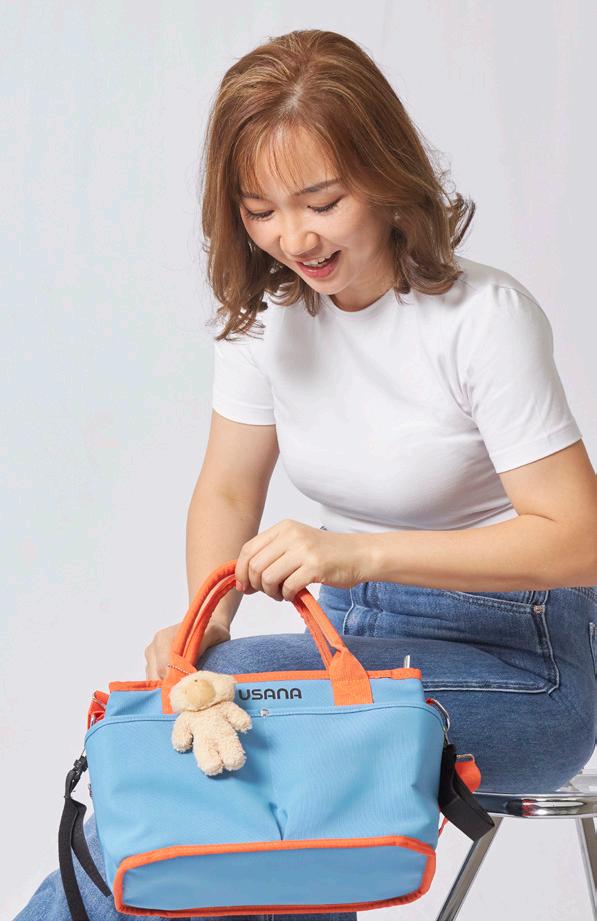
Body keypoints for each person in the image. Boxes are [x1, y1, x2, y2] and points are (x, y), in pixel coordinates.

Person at [15, 27, 597, 921]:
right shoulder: (267, 319)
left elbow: (578, 539)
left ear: (385, 176)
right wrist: (205, 624)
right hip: (356, 627)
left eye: (322, 200)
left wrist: (356, 553)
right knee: (225, 710)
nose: (294, 237)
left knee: (259, 719)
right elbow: (226, 490)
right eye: (259, 210)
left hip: (526, 662)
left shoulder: (481, 319)